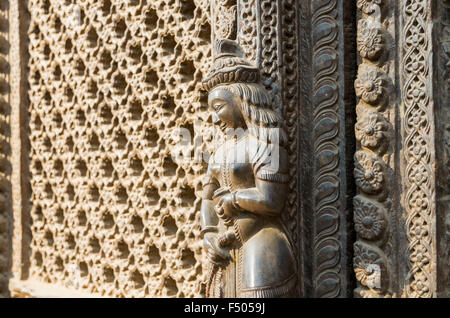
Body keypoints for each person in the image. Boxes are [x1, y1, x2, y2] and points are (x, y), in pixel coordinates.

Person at [200, 39, 297, 298]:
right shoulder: (220, 151)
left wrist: (234, 198)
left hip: (261, 245)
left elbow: (271, 199)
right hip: (225, 248)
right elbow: (208, 197)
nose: (213, 117)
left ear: (241, 99)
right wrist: (209, 231)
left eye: (218, 107)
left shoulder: (266, 141)